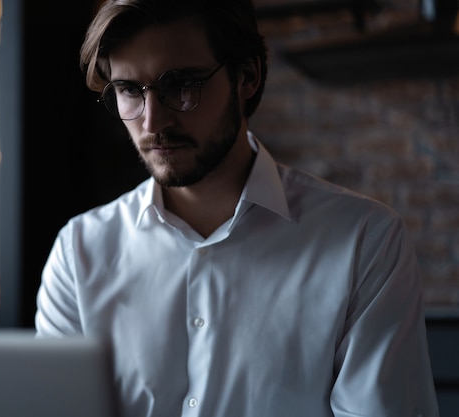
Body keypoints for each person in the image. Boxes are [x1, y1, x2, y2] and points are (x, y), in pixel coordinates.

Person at [35, 0, 440, 416]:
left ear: (246, 76)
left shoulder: (364, 243)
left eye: (181, 85)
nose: (153, 121)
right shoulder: (79, 253)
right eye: (129, 91)